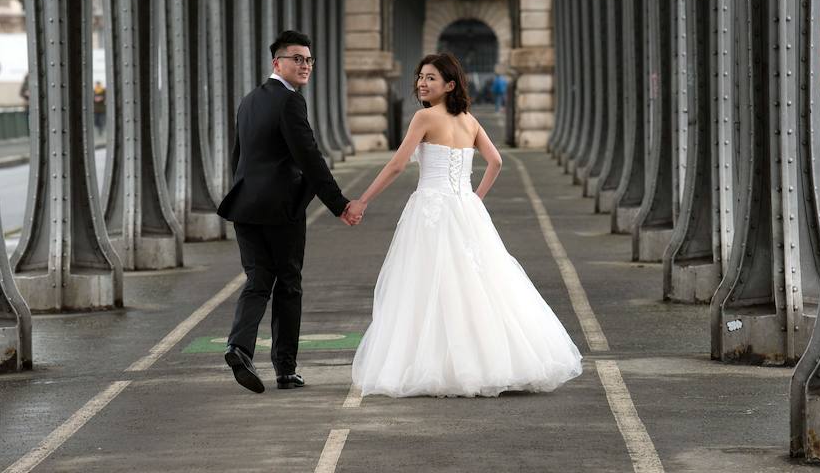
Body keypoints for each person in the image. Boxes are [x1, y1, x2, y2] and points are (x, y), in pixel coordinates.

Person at [346, 53, 582, 397]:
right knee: (479, 283)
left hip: (431, 210)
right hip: (465, 208)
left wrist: (362, 200)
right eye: (420, 77)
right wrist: (474, 198)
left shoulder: (424, 118)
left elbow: (397, 165)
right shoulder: (469, 121)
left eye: (430, 78)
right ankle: (491, 361)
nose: (421, 83)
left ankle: (440, 364)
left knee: (428, 286)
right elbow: (496, 161)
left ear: (449, 85)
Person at [216, 30, 363, 394]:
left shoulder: (249, 100)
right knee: (289, 285)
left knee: (258, 280)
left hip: (246, 206)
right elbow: (309, 158)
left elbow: (240, 157)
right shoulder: (290, 102)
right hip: (281, 209)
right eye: (297, 58)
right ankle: (285, 369)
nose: (305, 65)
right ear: (276, 62)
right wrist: (340, 204)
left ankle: (239, 347)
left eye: (309, 60)